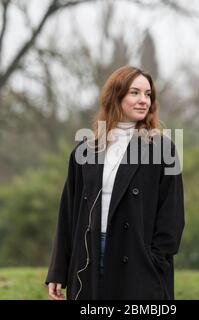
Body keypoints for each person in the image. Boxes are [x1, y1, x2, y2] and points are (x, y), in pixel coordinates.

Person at [45, 65, 185, 300]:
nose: (144, 100)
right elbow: (68, 214)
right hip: (89, 256)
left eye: (148, 94)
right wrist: (58, 270)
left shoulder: (162, 149)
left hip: (138, 259)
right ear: (115, 96)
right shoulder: (85, 151)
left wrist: (155, 260)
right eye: (135, 93)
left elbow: (172, 216)